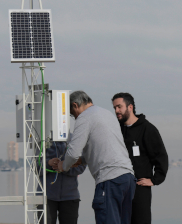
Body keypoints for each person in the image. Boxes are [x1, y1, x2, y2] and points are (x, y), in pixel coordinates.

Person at [49, 90, 136, 224]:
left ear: (75, 105)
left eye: (73, 115)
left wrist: (63, 166)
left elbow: (72, 152)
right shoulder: (106, 114)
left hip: (110, 179)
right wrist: (82, 160)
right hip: (127, 178)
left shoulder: (84, 117)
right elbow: (105, 146)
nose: (75, 118)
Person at [112, 92, 169, 224]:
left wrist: (155, 180)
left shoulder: (147, 129)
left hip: (140, 187)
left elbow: (161, 156)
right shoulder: (117, 129)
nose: (116, 111)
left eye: (119, 107)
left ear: (130, 107)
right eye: (114, 108)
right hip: (119, 187)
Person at [38, 140, 87, 224]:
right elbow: (35, 167)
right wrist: (48, 163)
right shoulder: (43, 140)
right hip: (46, 196)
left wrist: (64, 166)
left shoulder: (75, 140)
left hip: (70, 197)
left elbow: (81, 167)